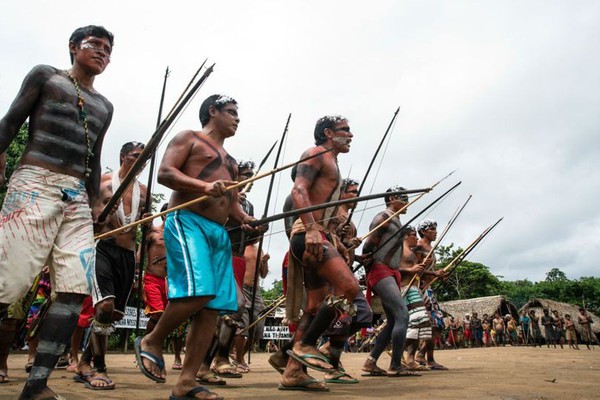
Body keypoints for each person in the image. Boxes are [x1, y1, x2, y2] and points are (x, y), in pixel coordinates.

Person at [0, 25, 114, 400]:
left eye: (107, 49)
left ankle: (36, 386)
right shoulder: (45, 76)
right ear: (73, 47)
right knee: (7, 285)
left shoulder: (104, 106)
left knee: (74, 289)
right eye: (94, 44)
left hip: (77, 197)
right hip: (34, 183)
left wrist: (96, 201)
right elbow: (10, 122)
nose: (102, 52)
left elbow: (94, 159)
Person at [134, 94, 259, 400]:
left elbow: (229, 202)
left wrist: (244, 219)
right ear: (212, 111)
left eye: (237, 113)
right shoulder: (188, 138)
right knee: (200, 290)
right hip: (188, 222)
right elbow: (165, 173)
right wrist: (204, 186)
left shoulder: (230, 161)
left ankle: (186, 381)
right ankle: (152, 340)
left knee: (213, 307)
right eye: (231, 112)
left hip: (219, 233)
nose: (237, 118)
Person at [280, 115, 360, 392]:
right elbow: (298, 189)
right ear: (328, 132)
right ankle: (305, 345)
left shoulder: (333, 162)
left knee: (314, 307)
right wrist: (313, 229)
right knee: (349, 288)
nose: (351, 135)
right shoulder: (316, 154)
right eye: (344, 130)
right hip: (307, 235)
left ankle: (292, 372)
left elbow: (323, 208)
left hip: (318, 234)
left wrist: (332, 237)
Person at [74, 141, 147, 390]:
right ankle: (100, 368)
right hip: (102, 248)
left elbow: (139, 227)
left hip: (127, 255)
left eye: (144, 158)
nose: (140, 161)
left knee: (113, 314)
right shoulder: (103, 182)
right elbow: (86, 217)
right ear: (123, 156)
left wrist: (146, 220)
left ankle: (85, 362)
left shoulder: (144, 191)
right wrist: (102, 211)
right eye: (136, 156)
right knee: (104, 307)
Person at [361, 188, 416, 377]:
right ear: (391, 198)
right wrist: (369, 266)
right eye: (403, 197)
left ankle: (371, 362)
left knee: (393, 321)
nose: (407, 201)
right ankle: (395, 366)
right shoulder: (382, 217)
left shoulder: (396, 219)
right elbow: (368, 246)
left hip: (391, 272)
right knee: (403, 315)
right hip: (381, 271)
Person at [142, 203, 185, 371]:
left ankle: (174, 355)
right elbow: (140, 253)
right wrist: (138, 275)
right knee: (158, 313)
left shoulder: (179, 235)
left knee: (176, 319)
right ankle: (147, 346)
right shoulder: (152, 233)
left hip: (172, 281)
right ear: (164, 215)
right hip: (152, 278)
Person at [414, 219, 448, 370]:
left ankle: (422, 355)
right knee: (429, 323)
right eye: (432, 229)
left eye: (435, 229)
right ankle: (428, 359)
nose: (435, 232)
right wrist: (434, 273)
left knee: (437, 324)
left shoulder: (430, 248)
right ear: (423, 231)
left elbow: (430, 271)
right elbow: (415, 268)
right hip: (420, 289)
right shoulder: (418, 247)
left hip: (428, 288)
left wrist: (439, 275)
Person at [399, 226, 431, 371]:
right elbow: (392, 268)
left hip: (414, 288)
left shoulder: (411, 252)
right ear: (405, 236)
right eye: (413, 235)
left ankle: (410, 359)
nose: (416, 238)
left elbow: (416, 272)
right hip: (405, 288)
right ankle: (397, 352)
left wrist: (423, 267)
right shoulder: (399, 250)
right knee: (418, 321)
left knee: (421, 325)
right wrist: (410, 270)